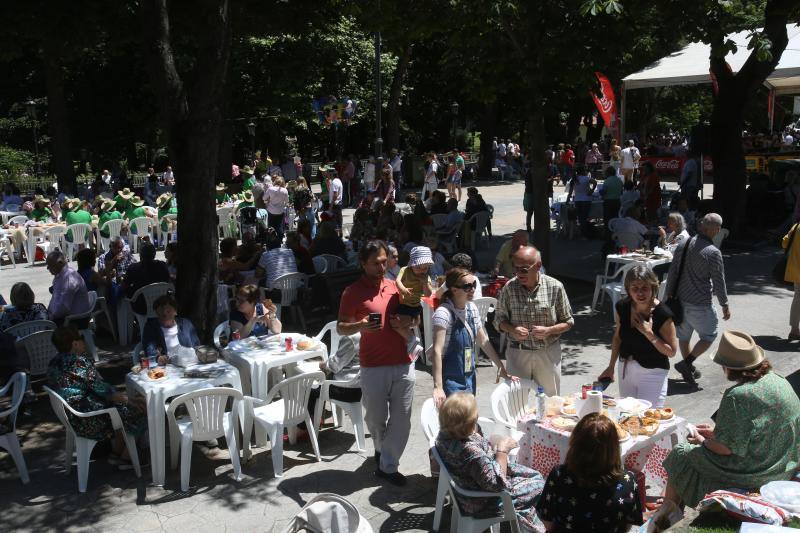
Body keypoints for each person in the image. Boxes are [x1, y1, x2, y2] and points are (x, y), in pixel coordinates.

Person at [661, 331, 800, 515]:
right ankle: (670, 509)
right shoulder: (778, 380)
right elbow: (756, 429)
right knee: (695, 450)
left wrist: (703, 440)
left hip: (756, 472)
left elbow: (725, 449)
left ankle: (667, 513)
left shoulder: (738, 396)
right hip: (783, 464)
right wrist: (716, 434)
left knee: (681, 453)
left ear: (727, 367)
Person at [337, 240, 417, 486]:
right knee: (375, 418)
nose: (382, 267)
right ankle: (381, 449)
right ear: (363, 263)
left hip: (403, 362)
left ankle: (388, 466)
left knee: (402, 418)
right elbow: (340, 327)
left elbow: (415, 320)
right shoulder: (351, 292)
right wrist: (360, 325)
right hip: (372, 365)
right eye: (376, 263)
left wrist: (408, 324)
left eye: (385, 261)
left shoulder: (396, 287)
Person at [435, 393, 545, 533]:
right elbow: (496, 486)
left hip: (473, 481)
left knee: (535, 474)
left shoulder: (444, 436)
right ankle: (530, 521)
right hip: (484, 501)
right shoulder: (471, 453)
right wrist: (502, 451)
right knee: (540, 483)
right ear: (469, 423)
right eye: (475, 417)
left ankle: (526, 514)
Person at [48, 325, 147, 469]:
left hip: (70, 416)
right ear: (74, 344)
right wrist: (130, 400)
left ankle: (116, 452)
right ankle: (127, 457)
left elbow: (97, 389)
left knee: (121, 407)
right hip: (87, 419)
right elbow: (104, 390)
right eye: (81, 339)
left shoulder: (54, 362)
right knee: (141, 408)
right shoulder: (79, 362)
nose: (84, 342)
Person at [535, 413, 644, 533]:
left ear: (575, 444)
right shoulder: (628, 480)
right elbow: (629, 524)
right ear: (614, 447)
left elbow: (547, 520)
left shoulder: (559, 475)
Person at [494, 246, 574, 395]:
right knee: (516, 403)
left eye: (523, 270)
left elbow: (568, 321)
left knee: (551, 402)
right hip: (517, 353)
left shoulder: (555, 287)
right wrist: (512, 329)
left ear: (538, 266)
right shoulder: (509, 288)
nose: (518, 274)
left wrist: (549, 330)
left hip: (547, 353)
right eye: (515, 269)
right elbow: (498, 320)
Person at [598, 266, 678, 407]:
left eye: (644, 288)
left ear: (653, 287)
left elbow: (671, 352)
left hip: (653, 374)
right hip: (626, 370)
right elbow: (618, 337)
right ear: (628, 289)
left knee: (649, 419)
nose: (640, 293)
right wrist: (611, 367)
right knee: (628, 418)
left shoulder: (663, 314)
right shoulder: (622, 307)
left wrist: (649, 334)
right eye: (635, 288)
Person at [665, 213, 730, 385]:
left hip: (679, 300)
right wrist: (724, 304)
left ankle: (689, 369)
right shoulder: (713, 252)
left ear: (702, 225)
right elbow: (718, 281)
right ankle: (686, 364)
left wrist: (668, 295)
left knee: (684, 337)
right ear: (716, 230)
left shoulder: (684, 243)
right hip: (700, 303)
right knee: (709, 335)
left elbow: (672, 272)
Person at [432, 268, 511, 406]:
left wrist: (500, 367)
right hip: (451, 378)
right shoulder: (443, 313)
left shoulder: (472, 309)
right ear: (454, 289)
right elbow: (437, 351)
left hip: (469, 374)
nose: (473, 289)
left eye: (474, 285)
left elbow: (483, 340)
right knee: (456, 423)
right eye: (467, 286)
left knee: (469, 420)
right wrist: (438, 387)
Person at [307, 332, 362, 420]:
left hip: (350, 390)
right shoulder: (372, 332)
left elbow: (334, 366)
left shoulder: (351, 337)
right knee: (323, 378)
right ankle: (319, 416)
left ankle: (304, 428)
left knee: (311, 388)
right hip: (366, 385)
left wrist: (321, 364)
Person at [142, 293, 200, 363]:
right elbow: (149, 350)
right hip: (167, 366)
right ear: (156, 312)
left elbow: (196, 345)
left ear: (175, 312)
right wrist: (158, 358)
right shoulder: (151, 327)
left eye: (168, 311)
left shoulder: (186, 324)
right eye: (160, 310)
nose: (164, 314)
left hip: (189, 362)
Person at [122, 243, 171, 314]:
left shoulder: (133, 268)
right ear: (154, 255)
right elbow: (168, 281)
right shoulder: (162, 266)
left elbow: (124, 286)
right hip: (161, 305)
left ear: (140, 255)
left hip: (141, 308)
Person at [46, 250, 91, 326]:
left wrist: (50, 317)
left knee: (42, 326)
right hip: (67, 316)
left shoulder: (69, 278)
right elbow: (55, 300)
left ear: (60, 263)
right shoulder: (60, 276)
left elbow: (63, 308)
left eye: (50, 265)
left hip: (76, 320)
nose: (47, 268)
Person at [395, 246, 434, 319]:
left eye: (425, 268)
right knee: (401, 321)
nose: (421, 270)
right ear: (411, 264)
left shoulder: (425, 277)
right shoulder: (405, 270)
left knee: (413, 322)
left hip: (417, 305)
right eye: (418, 267)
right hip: (402, 303)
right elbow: (397, 281)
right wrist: (403, 289)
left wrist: (425, 284)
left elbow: (428, 294)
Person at [567, 165, 597, 238]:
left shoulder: (574, 179)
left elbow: (570, 192)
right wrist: (591, 190)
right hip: (586, 200)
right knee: (584, 218)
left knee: (580, 218)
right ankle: (585, 234)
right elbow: (595, 182)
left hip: (577, 200)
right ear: (584, 171)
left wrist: (567, 199)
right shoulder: (586, 178)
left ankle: (583, 234)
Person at [783, 220, 800, 340]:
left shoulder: (797, 226)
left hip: (796, 270)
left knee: (798, 298)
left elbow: (784, 243)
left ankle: (794, 330)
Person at [264, 176, 289, 241]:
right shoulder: (285, 190)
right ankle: (279, 240)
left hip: (271, 211)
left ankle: (271, 241)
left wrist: (269, 199)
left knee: (271, 226)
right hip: (280, 211)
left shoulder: (270, 189)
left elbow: (264, 198)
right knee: (279, 226)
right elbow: (287, 202)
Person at [600, 165, 623, 234]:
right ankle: (616, 232)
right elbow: (621, 192)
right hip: (617, 201)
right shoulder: (619, 180)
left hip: (608, 202)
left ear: (608, 173)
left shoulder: (607, 180)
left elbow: (604, 191)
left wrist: (600, 192)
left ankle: (608, 233)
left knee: (607, 219)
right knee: (616, 217)